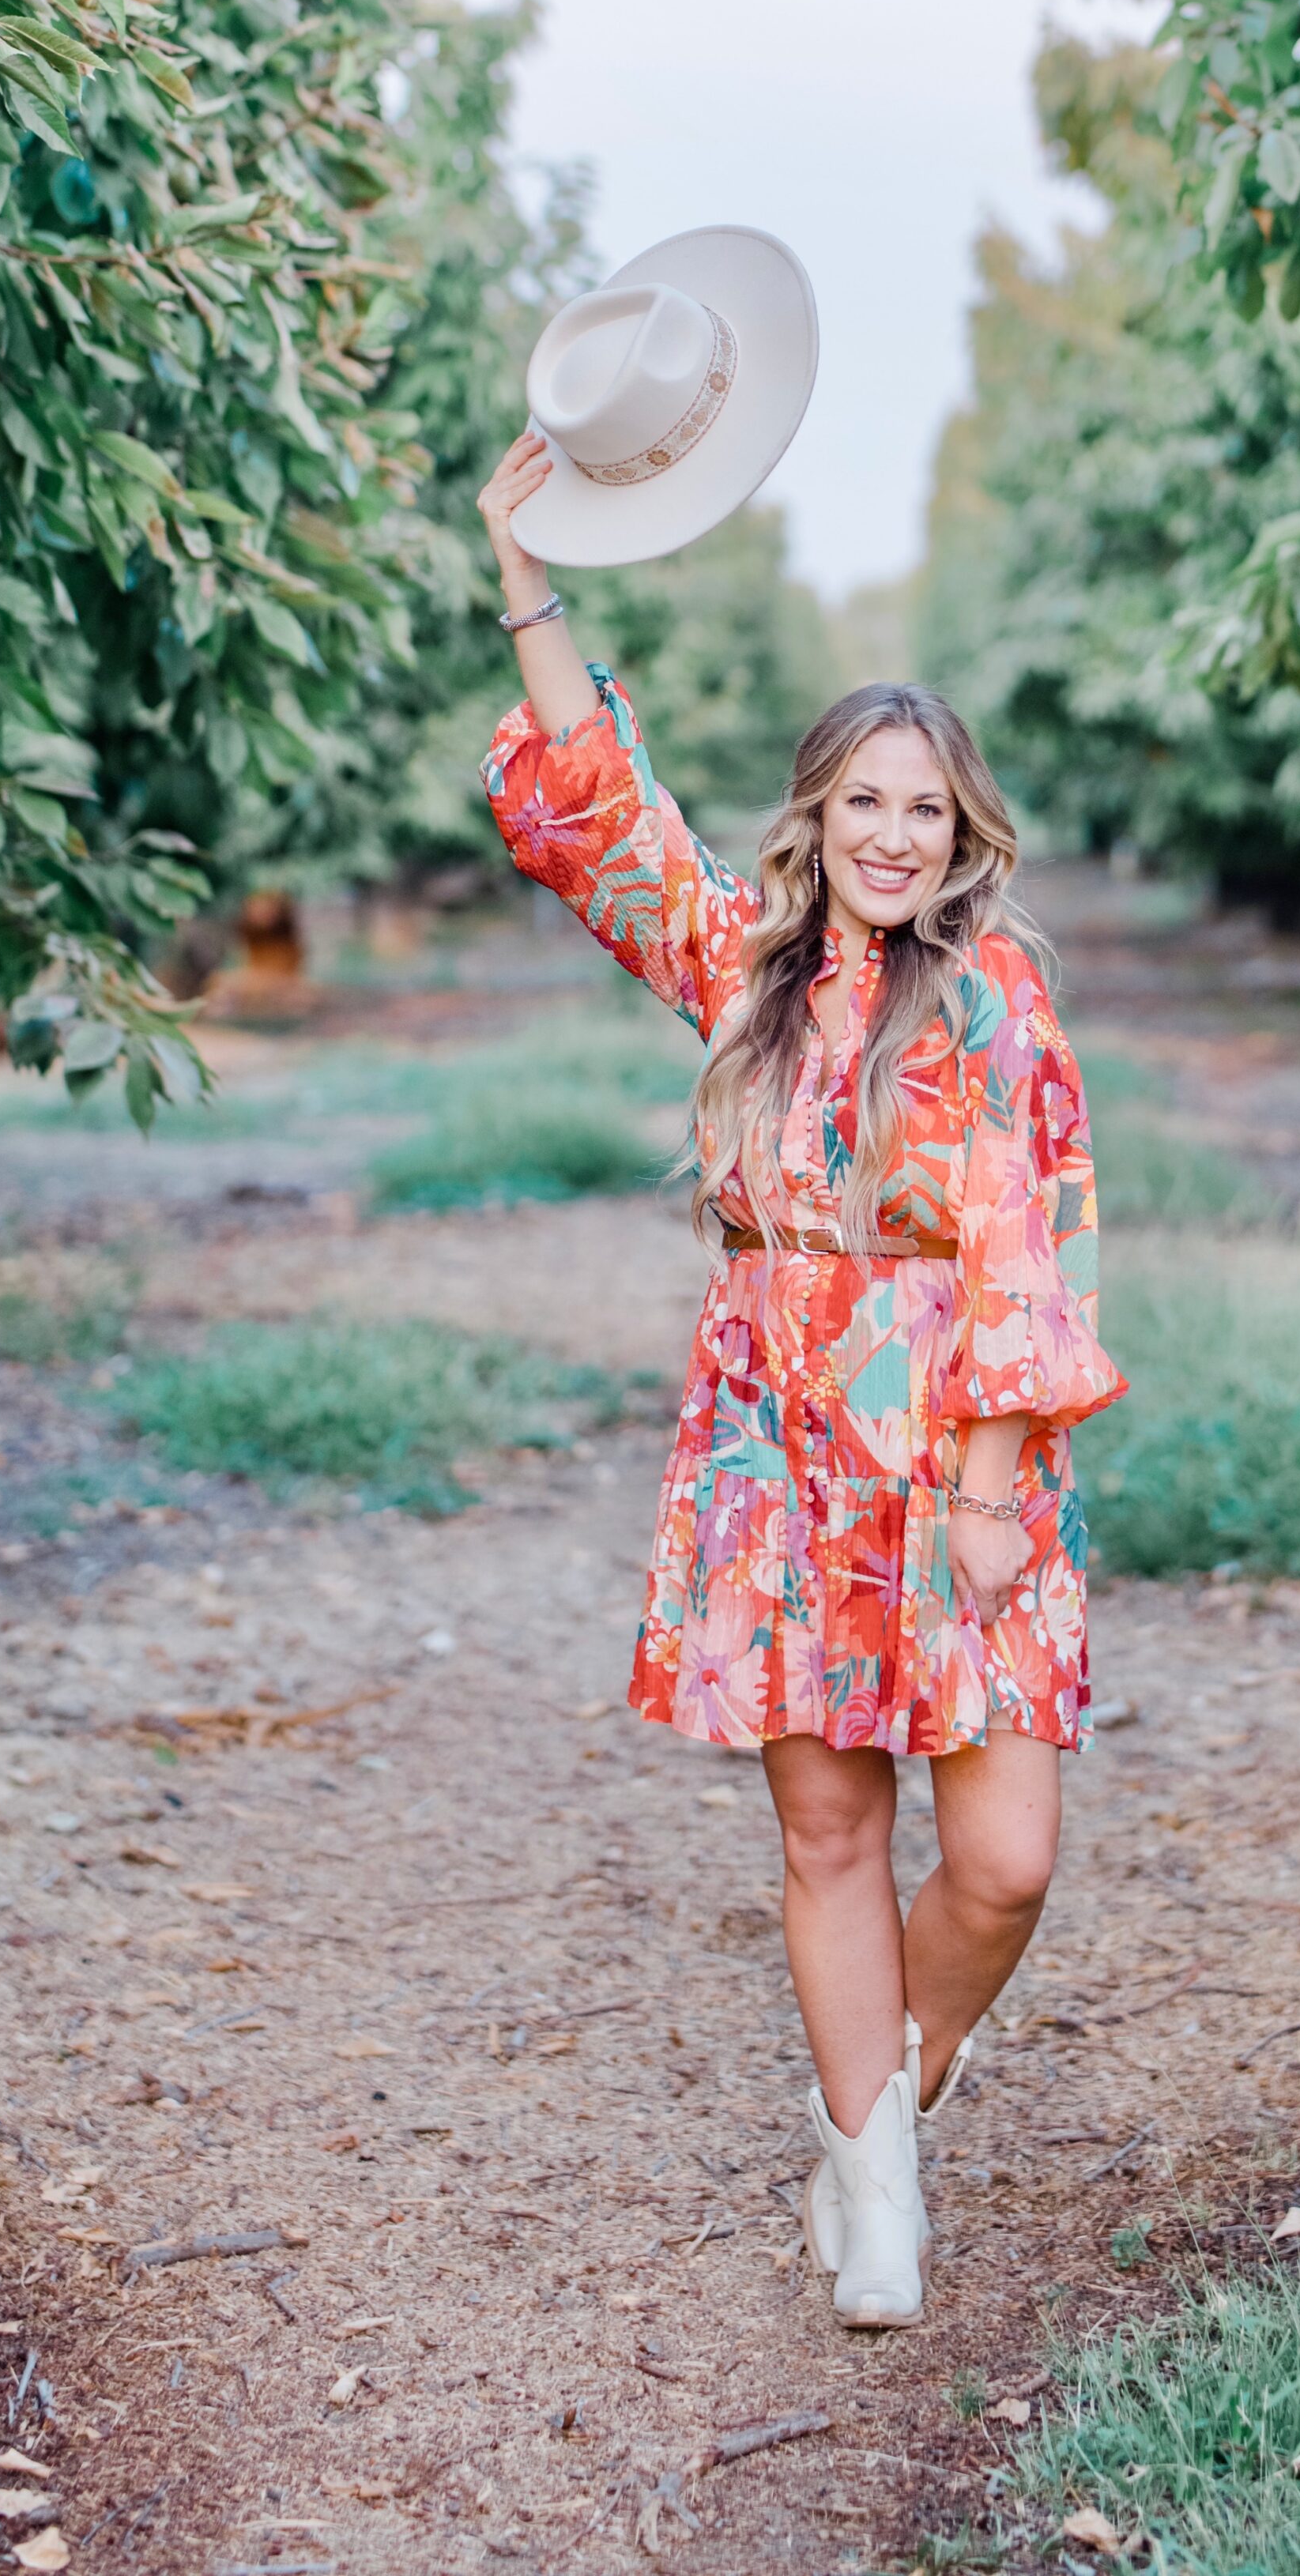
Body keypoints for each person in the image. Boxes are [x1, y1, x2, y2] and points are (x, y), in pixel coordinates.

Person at [475, 427, 1125, 2330]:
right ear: (818, 814)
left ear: (962, 825)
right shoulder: (749, 966)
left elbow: (1036, 1237)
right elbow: (601, 806)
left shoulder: (1001, 999)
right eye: (864, 800)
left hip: (959, 1451)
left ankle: (884, 2108)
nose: (894, 834)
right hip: (775, 1442)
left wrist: (999, 1477)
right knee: (829, 1832)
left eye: (925, 806)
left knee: (1000, 1858)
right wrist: (524, 569)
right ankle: (877, 2200)